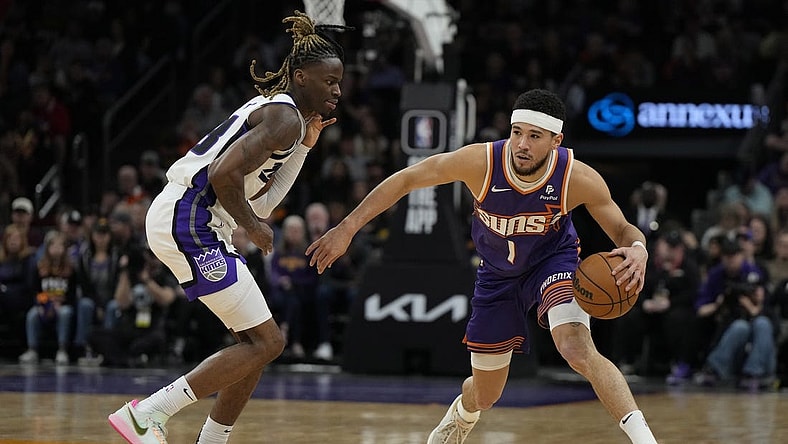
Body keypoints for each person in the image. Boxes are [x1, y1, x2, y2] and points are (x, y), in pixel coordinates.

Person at [307, 88, 658, 444]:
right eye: (517, 131)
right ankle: (463, 413)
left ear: (556, 140)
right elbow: (407, 179)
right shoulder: (481, 162)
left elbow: (620, 228)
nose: (522, 143)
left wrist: (638, 248)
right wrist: (347, 227)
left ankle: (644, 439)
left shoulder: (576, 178)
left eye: (534, 136)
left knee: (575, 347)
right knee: (486, 394)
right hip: (496, 276)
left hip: (553, 260)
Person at [108, 10, 348, 444]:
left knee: (254, 347)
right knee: (269, 343)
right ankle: (146, 415)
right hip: (190, 215)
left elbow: (263, 200)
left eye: (340, 82)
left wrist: (306, 148)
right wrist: (252, 226)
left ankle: (211, 440)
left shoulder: (290, 125)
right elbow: (222, 175)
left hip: (191, 218)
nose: (337, 90)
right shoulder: (284, 117)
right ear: (299, 76)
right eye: (329, 80)